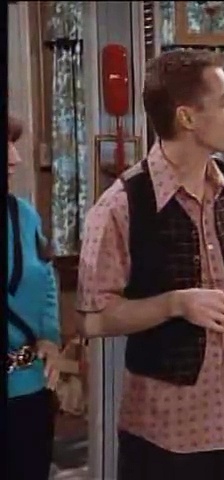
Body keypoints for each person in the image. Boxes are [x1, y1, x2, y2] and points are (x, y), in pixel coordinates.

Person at [76, 49, 224, 480]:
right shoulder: (121, 205)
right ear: (187, 117)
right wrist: (176, 304)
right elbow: (94, 319)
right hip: (165, 433)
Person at [7, 114, 61, 479]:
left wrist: (50, 336)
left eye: (13, 145)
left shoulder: (25, 216)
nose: (15, 158)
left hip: (29, 390)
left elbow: (46, 279)